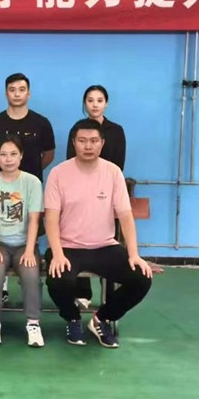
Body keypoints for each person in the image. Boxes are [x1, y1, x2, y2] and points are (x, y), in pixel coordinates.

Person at [45, 120, 153, 348]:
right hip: (68, 247)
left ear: (102, 143)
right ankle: (72, 318)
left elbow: (125, 216)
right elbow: (51, 218)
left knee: (141, 278)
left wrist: (134, 254)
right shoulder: (58, 173)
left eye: (94, 141)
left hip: (105, 247)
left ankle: (101, 319)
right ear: (73, 143)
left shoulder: (113, 172)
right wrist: (57, 253)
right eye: (82, 141)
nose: (88, 146)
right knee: (58, 280)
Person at [0, 72, 55, 307]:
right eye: (12, 90)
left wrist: (26, 175)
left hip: (28, 192)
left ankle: (28, 290)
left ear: (28, 93)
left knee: (28, 238)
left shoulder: (41, 123)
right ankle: (0, 287)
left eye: (21, 89)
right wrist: (6, 173)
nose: (17, 94)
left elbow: (48, 155)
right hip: (1, 192)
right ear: (6, 93)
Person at [65, 84, 127, 309]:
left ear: (106, 104)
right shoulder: (77, 129)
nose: (95, 105)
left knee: (106, 246)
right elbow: (70, 162)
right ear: (85, 104)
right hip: (80, 196)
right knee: (79, 243)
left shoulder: (116, 131)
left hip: (106, 196)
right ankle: (83, 292)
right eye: (90, 100)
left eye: (99, 100)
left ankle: (108, 295)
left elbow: (119, 163)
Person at [0, 135, 44, 347]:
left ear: (21, 156)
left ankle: (33, 323)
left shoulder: (32, 182)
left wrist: (29, 250)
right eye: (3, 154)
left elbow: (34, 219)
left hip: (25, 244)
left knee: (31, 272)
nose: (8, 159)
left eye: (13, 154)